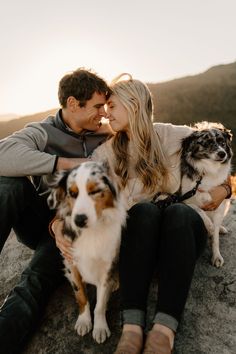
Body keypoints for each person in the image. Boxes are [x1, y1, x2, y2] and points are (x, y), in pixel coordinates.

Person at [52, 73, 231, 354]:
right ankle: (132, 327)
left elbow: (218, 156)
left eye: (112, 106)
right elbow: (82, 192)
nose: (105, 113)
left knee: (179, 213)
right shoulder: (105, 154)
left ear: (134, 105)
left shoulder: (174, 135)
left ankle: (163, 330)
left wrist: (225, 190)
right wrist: (58, 223)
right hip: (139, 242)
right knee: (144, 211)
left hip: (180, 236)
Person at [0, 68, 112, 354]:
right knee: (9, 185)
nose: (103, 113)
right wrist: (70, 163)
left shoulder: (105, 134)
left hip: (74, 228)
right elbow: (3, 156)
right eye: (98, 106)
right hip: (40, 219)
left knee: (34, 282)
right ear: (73, 103)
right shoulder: (43, 131)